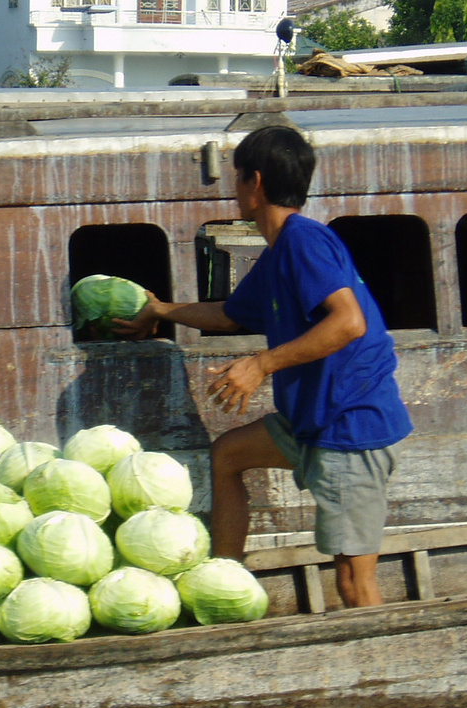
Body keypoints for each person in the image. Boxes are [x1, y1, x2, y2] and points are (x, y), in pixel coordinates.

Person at [114, 126, 411, 608]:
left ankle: (390, 679)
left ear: (254, 183)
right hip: (313, 420)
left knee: (355, 584)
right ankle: (223, 583)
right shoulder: (279, 256)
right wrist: (161, 311)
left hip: (350, 427)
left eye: (235, 179)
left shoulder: (304, 241)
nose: (233, 190)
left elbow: (349, 322)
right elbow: (230, 315)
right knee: (228, 454)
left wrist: (260, 364)